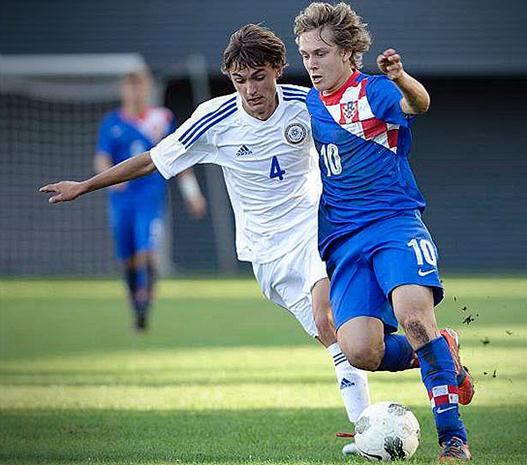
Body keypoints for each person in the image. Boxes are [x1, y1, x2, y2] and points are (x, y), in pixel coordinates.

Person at [40, 25, 371, 445]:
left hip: (314, 230)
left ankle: (367, 429)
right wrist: (85, 185)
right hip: (264, 251)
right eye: (240, 80)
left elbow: (358, 129)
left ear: (277, 69)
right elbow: (152, 160)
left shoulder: (307, 103)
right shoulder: (215, 119)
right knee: (337, 340)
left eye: (259, 77)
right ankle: (426, 354)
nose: (250, 90)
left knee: (328, 317)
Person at [295, 2, 474, 461]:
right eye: (306, 54)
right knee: (360, 351)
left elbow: (419, 104)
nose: (312, 64)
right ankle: (442, 349)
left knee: (414, 319)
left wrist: (400, 77)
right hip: (343, 240)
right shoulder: (307, 103)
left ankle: (453, 437)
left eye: (320, 53)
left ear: (347, 52)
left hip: (394, 223)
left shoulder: (373, 91)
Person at [95, 68, 207, 332]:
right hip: (121, 202)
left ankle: (145, 303)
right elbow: (101, 157)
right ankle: (135, 302)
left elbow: (180, 157)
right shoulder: (112, 123)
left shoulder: (161, 119)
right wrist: (110, 177)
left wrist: (192, 194)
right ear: (123, 90)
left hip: (150, 200)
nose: (135, 93)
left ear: (147, 89)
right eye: (130, 87)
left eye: (140, 87)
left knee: (146, 251)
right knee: (128, 259)